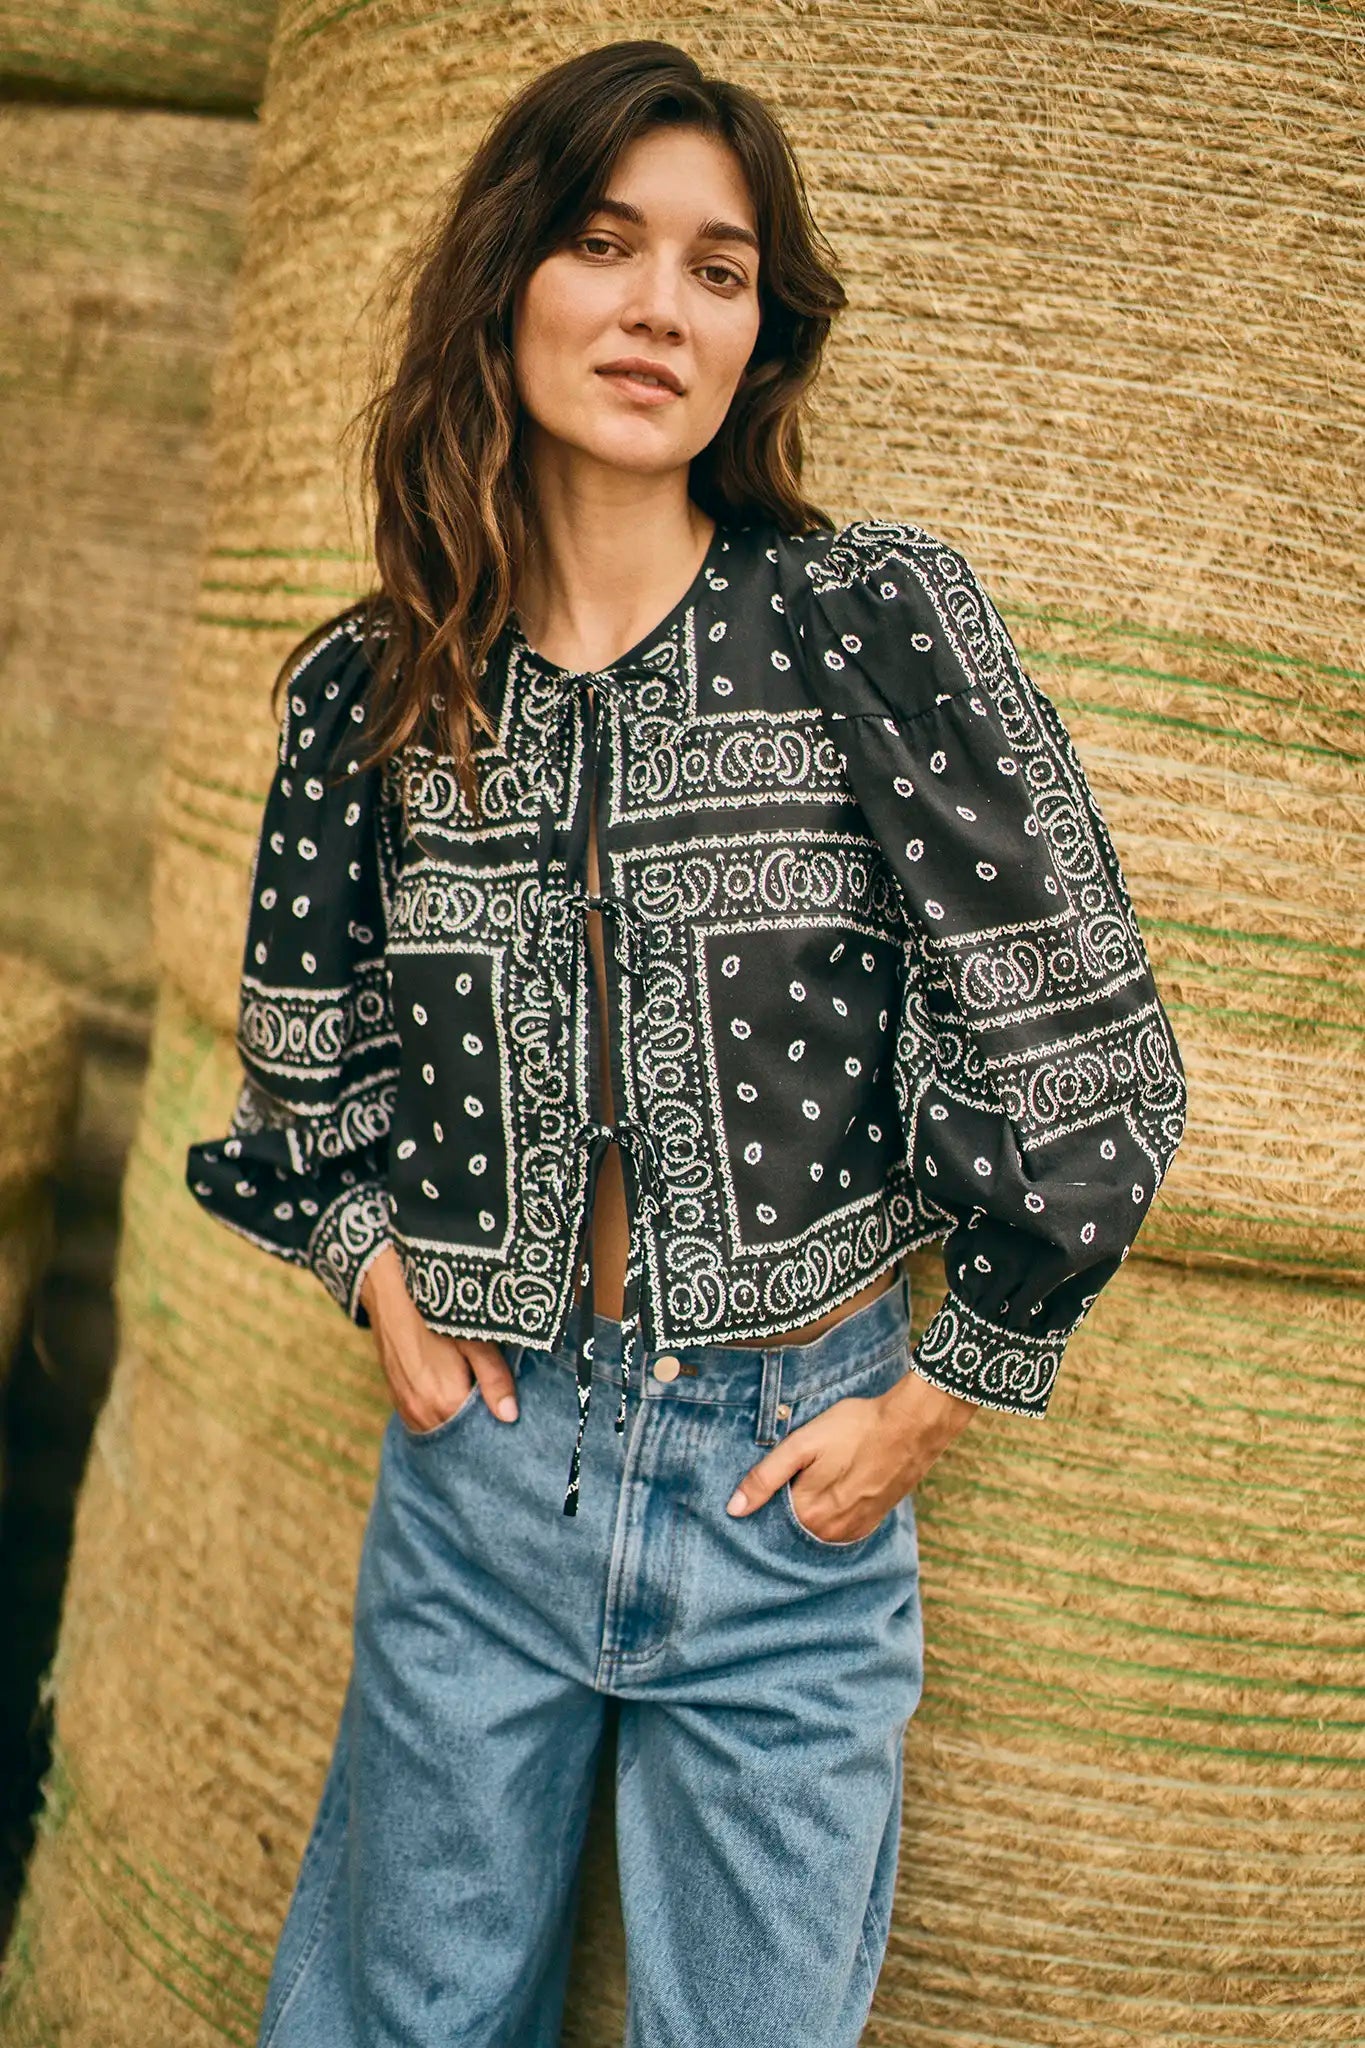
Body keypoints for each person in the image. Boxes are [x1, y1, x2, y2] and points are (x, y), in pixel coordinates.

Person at [185, 39, 1186, 2048]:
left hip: (781, 1488)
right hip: (480, 1474)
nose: (657, 305)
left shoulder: (863, 627)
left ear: (758, 331)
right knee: (399, 2023)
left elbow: (1085, 1049)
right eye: (599, 240)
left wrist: (939, 1392)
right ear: (506, 284)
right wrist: (377, 1277)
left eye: (716, 268)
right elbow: (306, 1069)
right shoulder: (370, 692)